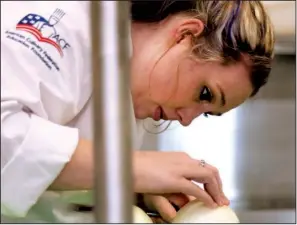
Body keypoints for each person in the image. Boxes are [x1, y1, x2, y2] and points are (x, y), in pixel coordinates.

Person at [1, 0, 274, 223]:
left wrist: (136, 193)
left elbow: (42, 180)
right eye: (205, 93)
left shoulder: (130, 94)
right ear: (185, 35)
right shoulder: (65, 23)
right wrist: (130, 168)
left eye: (206, 112)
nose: (186, 119)